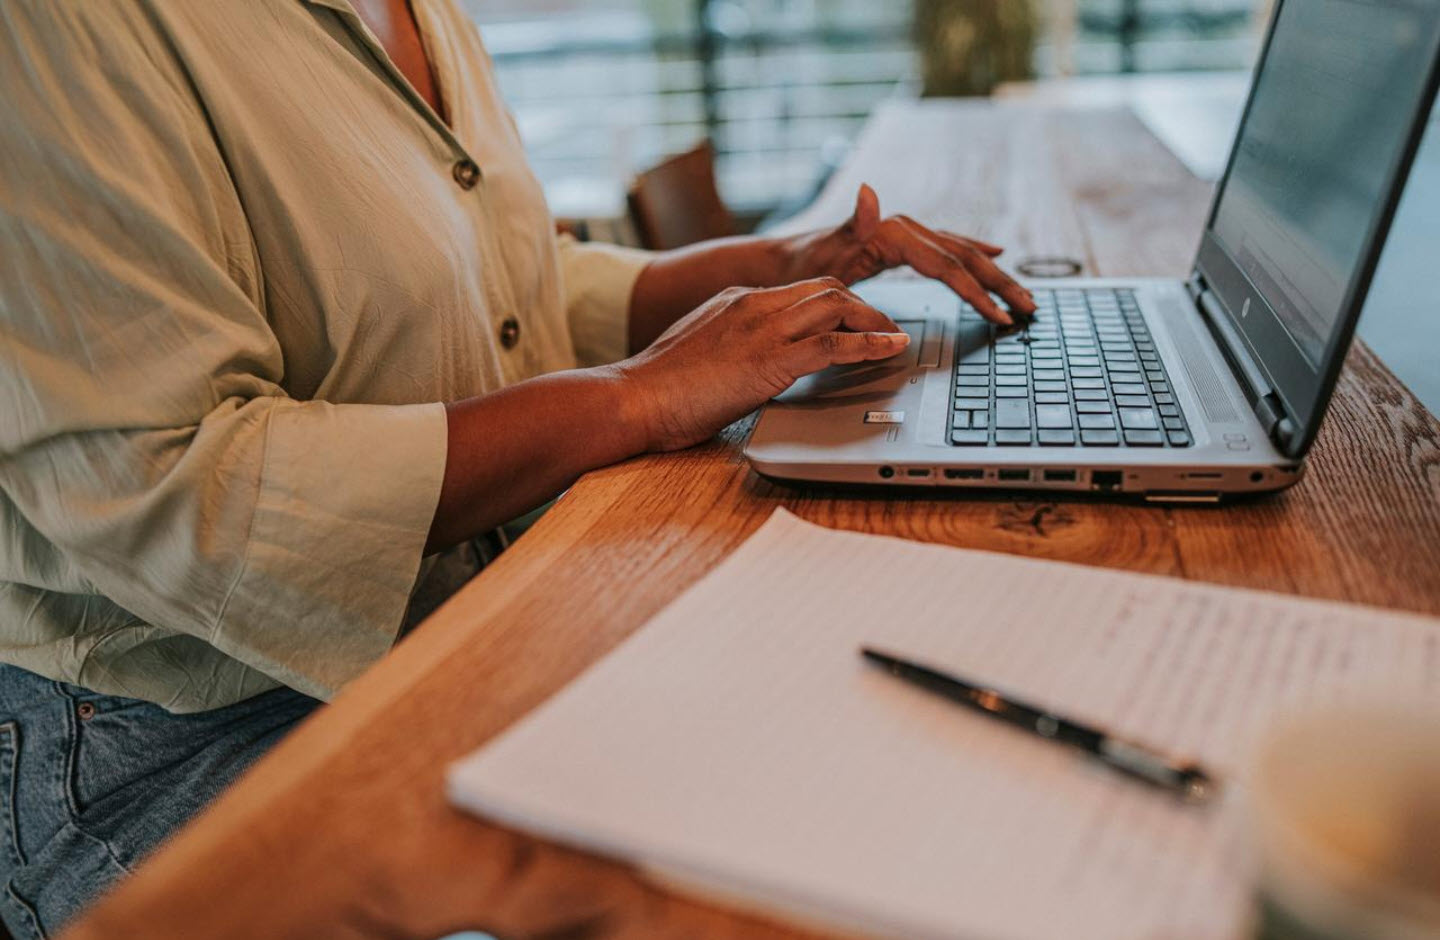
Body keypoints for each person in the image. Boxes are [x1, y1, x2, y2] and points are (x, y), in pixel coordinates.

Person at [0, 0, 1033, 935]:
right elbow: (181, 489)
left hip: (469, 618)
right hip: (181, 727)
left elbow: (501, 283)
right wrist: (635, 394)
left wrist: (775, 273)